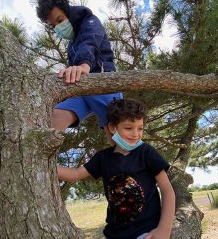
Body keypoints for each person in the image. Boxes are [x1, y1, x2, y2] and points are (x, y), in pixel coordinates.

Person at [57, 98, 175, 239]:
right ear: (113, 127)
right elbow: (75, 175)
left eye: (140, 128)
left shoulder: (146, 152)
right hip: (114, 234)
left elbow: (167, 190)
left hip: (146, 231)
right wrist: (47, 166)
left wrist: (164, 229)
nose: (136, 134)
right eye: (128, 128)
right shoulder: (103, 157)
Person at [36, 0, 122, 143]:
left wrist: (83, 65)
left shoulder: (90, 21)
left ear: (67, 10)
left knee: (118, 139)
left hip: (102, 82)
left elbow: (90, 42)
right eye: (53, 25)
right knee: (54, 117)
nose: (58, 26)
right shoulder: (71, 44)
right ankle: (42, 163)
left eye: (60, 19)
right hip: (81, 89)